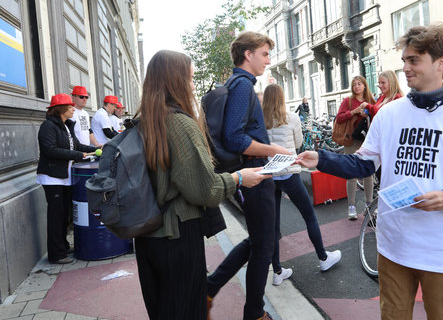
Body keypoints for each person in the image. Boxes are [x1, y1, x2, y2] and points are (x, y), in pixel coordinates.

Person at [295, 23, 443, 320]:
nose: (405, 67)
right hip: (394, 242)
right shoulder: (390, 114)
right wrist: (321, 159)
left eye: (414, 60)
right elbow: (364, 164)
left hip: (441, 248)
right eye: (404, 60)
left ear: (441, 62)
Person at [134, 49, 270, 320]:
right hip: (178, 236)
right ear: (175, 81)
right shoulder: (180, 124)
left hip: (148, 234)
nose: (194, 86)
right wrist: (240, 177)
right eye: (191, 79)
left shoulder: (145, 121)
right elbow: (204, 190)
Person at [206, 32, 291, 320]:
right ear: (248, 55)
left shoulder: (237, 84)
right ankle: (254, 313)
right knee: (264, 245)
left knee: (261, 239)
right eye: (265, 54)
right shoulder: (242, 86)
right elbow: (234, 138)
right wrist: (274, 148)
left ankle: (210, 287)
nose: (268, 60)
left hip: (253, 171)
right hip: (254, 172)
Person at [262, 84, 342, 286]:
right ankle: (323, 258)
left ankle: (277, 271)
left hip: (270, 175)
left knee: (272, 225)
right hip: (289, 172)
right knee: (309, 216)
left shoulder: (260, 121)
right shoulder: (292, 118)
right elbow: (298, 143)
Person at [36, 93, 94, 264]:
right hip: (52, 178)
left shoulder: (67, 125)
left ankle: (63, 245)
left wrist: (97, 148)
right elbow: (50, 149)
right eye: (69, 107)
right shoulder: (48, 126)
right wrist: (77, 154)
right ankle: (56, 254)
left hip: (65, 176)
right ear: (61, 109)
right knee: (56, 215)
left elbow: (77, 146)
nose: (72, 109)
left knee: (66, 214)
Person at [335, 76, 375, 220]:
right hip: (351, 140)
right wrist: (354, 111)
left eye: (359, 84)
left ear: (365, 85)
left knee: (368, 172)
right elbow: (339, 118)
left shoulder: (371, 100)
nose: (357, 87)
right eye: (354, 85)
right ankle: (351, 206)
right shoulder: (348, 101)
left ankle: (369, 205)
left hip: (367, 140)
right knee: (351, 172)